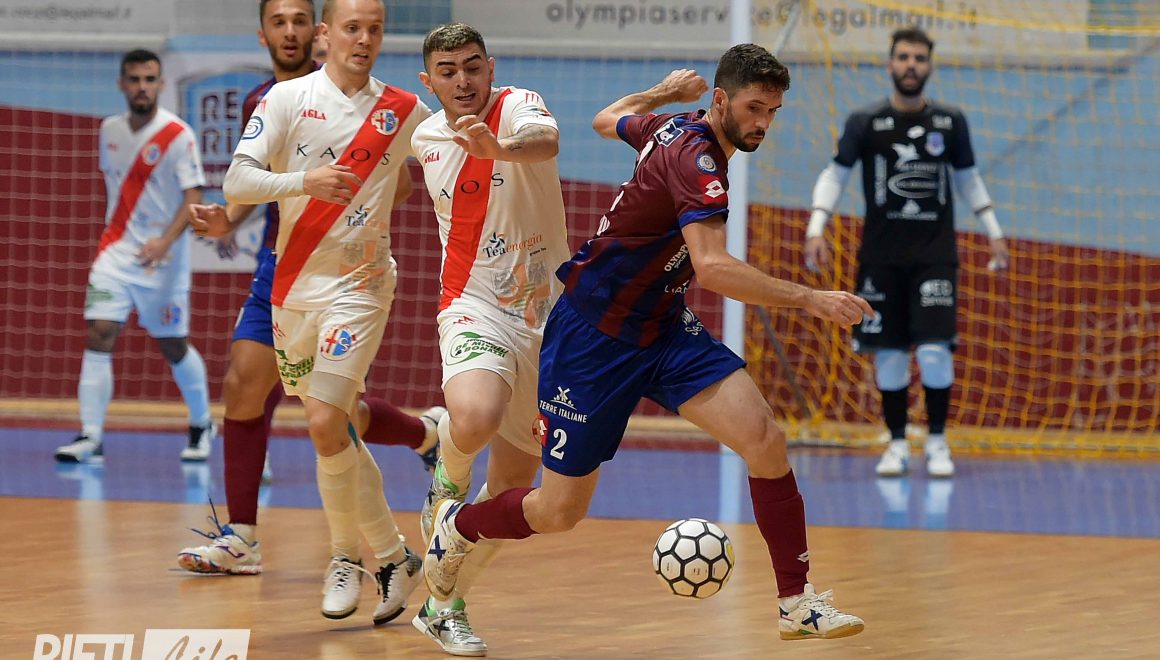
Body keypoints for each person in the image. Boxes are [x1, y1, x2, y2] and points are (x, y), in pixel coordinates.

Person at [424, 44, 870, 644]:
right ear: (720, 100)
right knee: (558, 511)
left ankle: (797, 602)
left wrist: (661, 94)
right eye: (754, 108)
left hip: (661, 325)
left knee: (764, 439)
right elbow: (712, 268)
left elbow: (607, 118)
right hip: (593, 338)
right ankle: (461, 525)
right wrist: (811, 299)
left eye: (773, 111)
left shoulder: (670, 126)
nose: (763, 122)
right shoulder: (697, 159)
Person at [177, 0, 445, 579]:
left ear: (317, 32)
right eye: (280, 22)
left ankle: (362, 550)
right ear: (264, 34)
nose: (291, 31)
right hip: (280, 267)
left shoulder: (386, 106)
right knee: (248, 387)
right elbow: (252, 180)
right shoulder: (270, 99)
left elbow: (401, 183)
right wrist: (228, 220)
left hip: (347, 272)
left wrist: (366, 189)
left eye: (300, 19)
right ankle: (244, 536)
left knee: (328, 411)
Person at [408, 23, 571, 656]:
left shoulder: (519, 105)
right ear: (429, 82)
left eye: (473, 67)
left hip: (548, 318)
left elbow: (545, 141)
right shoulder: (425, 136)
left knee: (510, 494)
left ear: (491, 68)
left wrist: (495, 147)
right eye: (448, 71)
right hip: (473, 303)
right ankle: (445, 482)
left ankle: (441, 605)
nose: (463, 80)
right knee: (474, 416)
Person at [803, 27, 1009, 478]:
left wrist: (993, 229)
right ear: (890, 64)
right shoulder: (865, 121)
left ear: (929, 66)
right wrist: (817, 226)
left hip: (935, 256)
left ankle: (937, 441)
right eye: (903, 57)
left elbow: (968, 177)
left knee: (935, 352)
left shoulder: (950, 122)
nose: (911, 65)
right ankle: (896, 443)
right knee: (890, 355)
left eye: (919, 58)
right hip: (881, 259)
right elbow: (835, 174)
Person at [54, 49, 213, 465]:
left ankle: (202, 423)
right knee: (99, 331)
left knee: (173, 344)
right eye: (135, 79)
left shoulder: (179, 135)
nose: (142, 87)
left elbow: (194, 197)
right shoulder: (108, 130)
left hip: (164, 262)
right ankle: (91, 436)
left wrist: (164, 242)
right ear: (122, 84)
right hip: (116, 253)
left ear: (160, 84)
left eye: (149, 79)